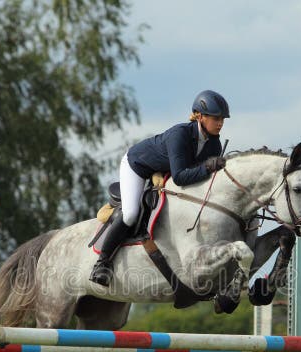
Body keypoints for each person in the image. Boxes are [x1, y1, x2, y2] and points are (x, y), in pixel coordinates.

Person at [90, 89, 230, 287]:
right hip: (137, 166)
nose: (220, 122)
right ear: (199, 116)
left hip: (163, 170)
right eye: (216, 118)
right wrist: (208, 167)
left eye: (223, 118)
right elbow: (181, 177)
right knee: (130, 213)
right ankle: (102, 263)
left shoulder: (214, 144)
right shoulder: (180, 134)